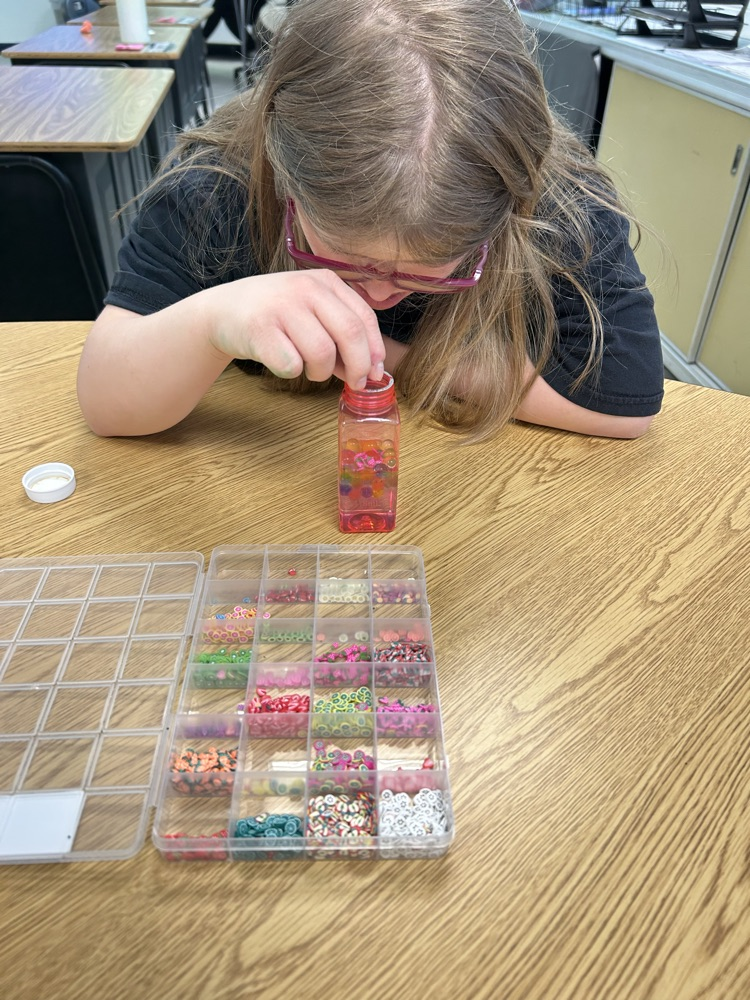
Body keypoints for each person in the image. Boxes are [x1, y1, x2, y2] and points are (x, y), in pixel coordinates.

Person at [77, 0, 664, 441]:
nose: (381, 295)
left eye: (432, 271)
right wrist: (210, 322)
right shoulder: (217, 189)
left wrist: (372, 350)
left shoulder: (560, 203)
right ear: (285, 174)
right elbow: (106, 400)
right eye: (341, 259)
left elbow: (625, 401)